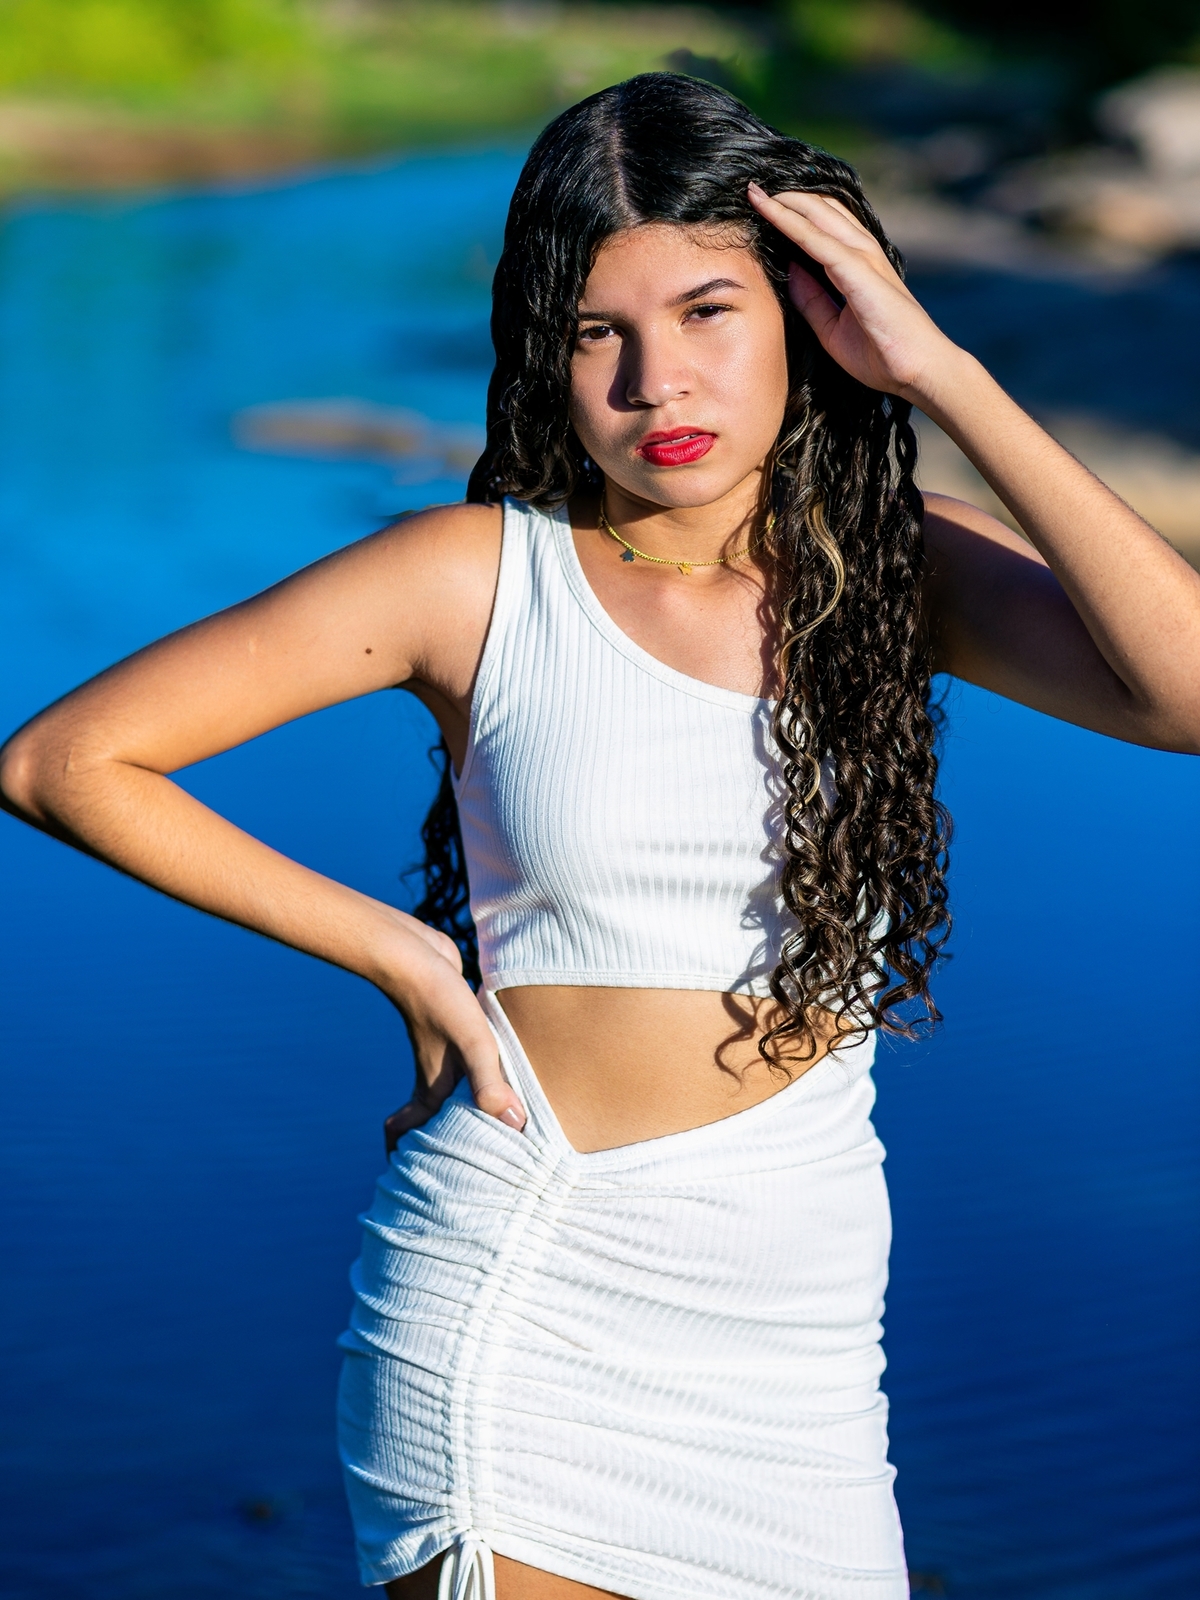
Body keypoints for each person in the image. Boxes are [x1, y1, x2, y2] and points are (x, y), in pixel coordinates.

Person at [2, 71, 1198, 1600]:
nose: (657, 384)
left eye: (708, 312)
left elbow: (1185, 695)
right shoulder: (472, 575)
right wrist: (404, 955)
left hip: (804, 1358)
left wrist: (943, 371)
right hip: (532, 1296)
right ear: (543, 354)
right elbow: (65, 760)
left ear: (811, 316)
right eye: (596, 333)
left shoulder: (896, 571)